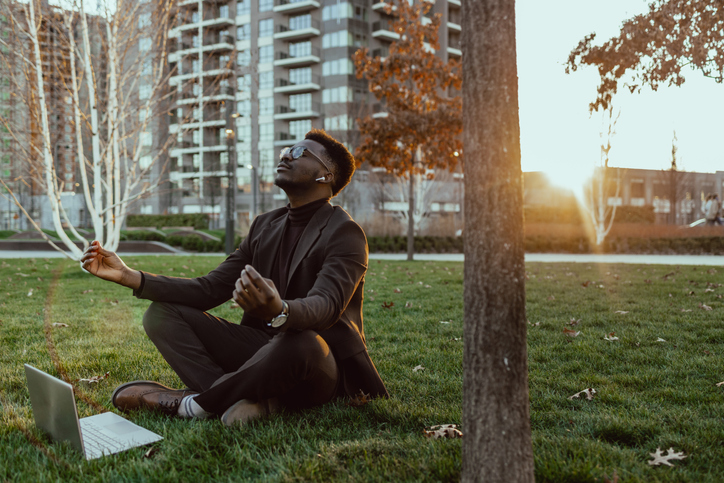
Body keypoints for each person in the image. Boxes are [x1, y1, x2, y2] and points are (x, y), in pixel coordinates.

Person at [80, 129, 388, 426]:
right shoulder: (264, 226)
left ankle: (194, 404)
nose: (286, 157)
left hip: (319, 365)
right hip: (259, 350)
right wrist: (131, 277)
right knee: (162, 313)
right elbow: (210, 289)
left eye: (298, 152)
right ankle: (249, 400)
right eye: (284, 152)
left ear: (326, 175)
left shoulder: (345, 232)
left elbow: (327, 305)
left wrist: (281, 311)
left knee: (301, 341)